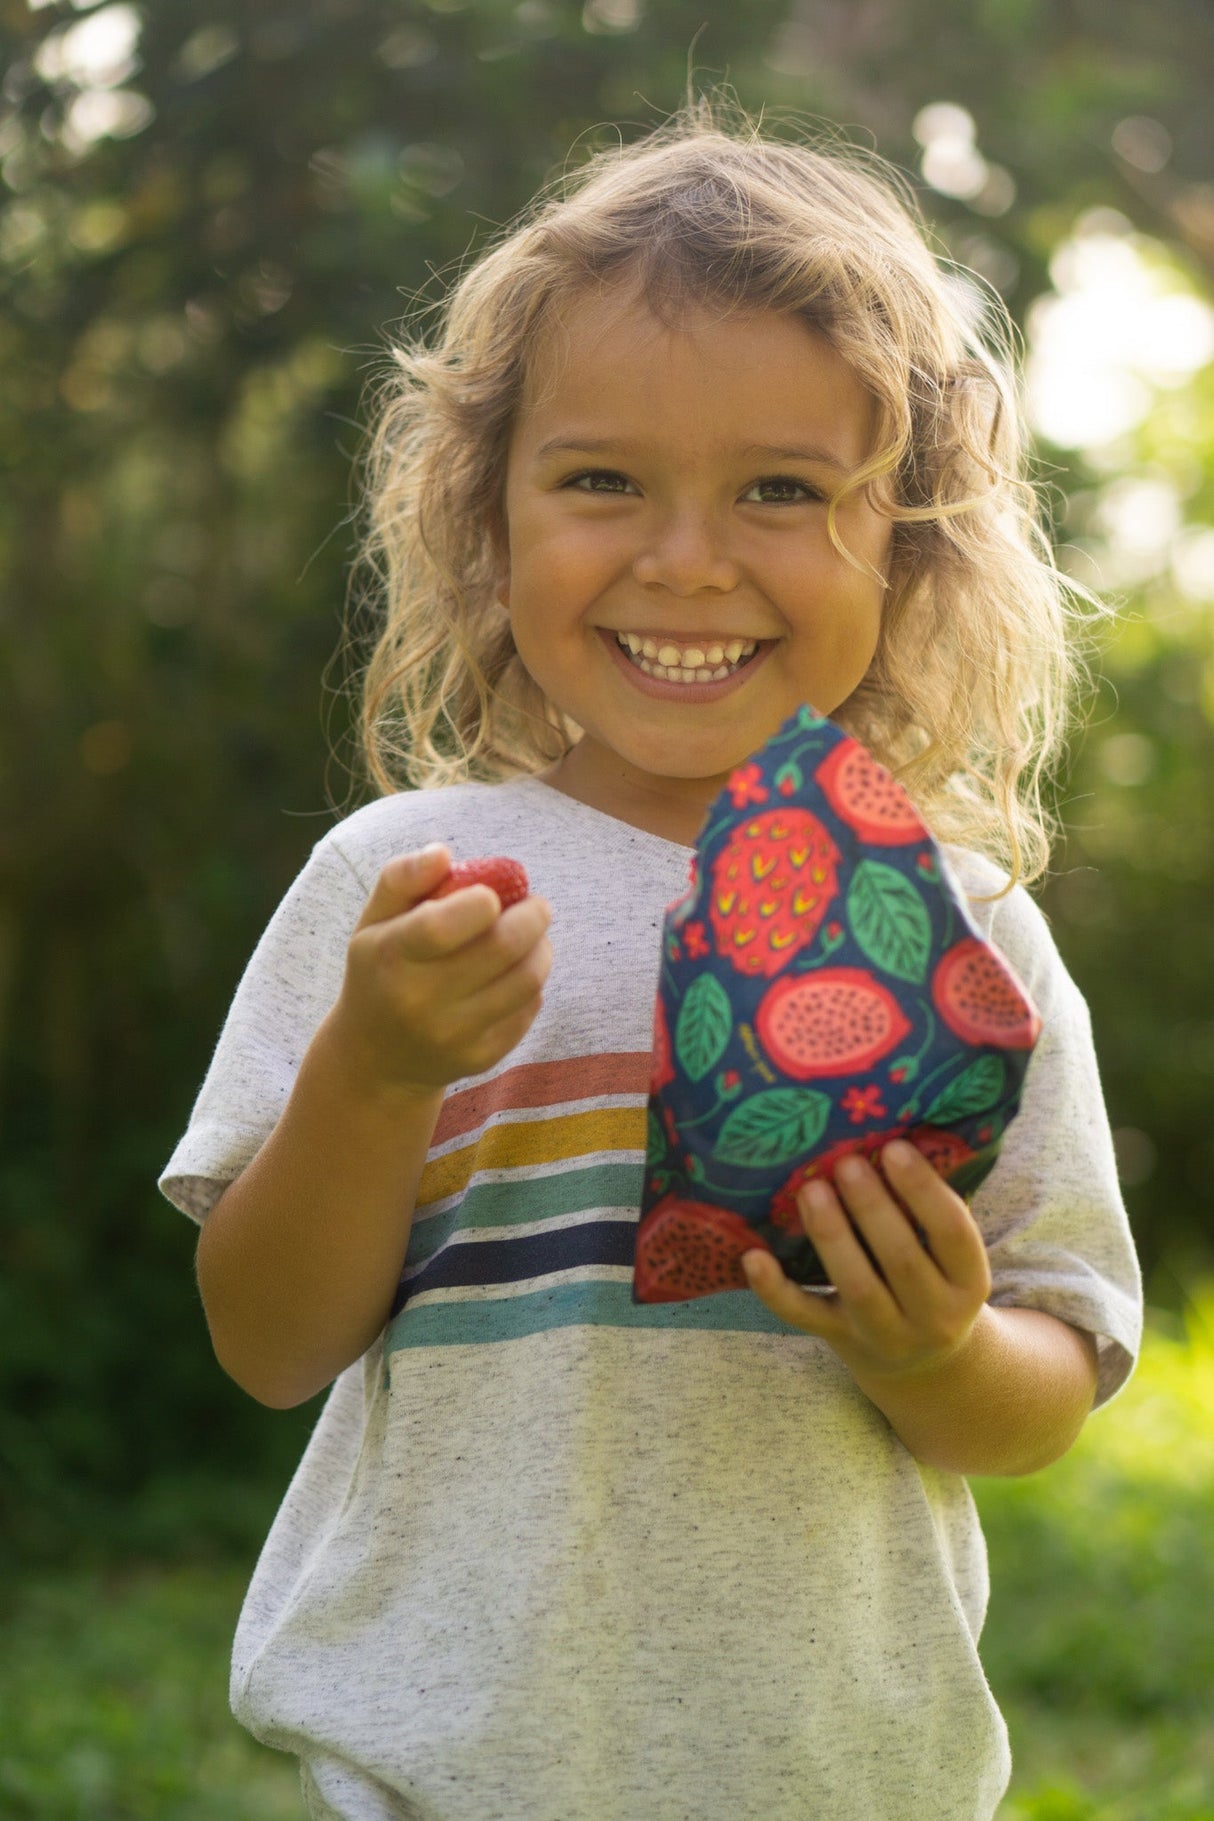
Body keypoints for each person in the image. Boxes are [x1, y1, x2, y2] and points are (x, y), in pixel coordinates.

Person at [159, 94, 1143, 1821]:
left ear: (904, 542)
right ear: (491, 515)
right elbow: (266, 1342)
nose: (685, 559)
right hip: (439, 1767)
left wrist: (931, 1351)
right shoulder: (400, 883)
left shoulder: (955, 919)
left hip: (839, 1775)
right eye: (603, 479)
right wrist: (377, 1070)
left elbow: (1045, 1379)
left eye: (780, 489)